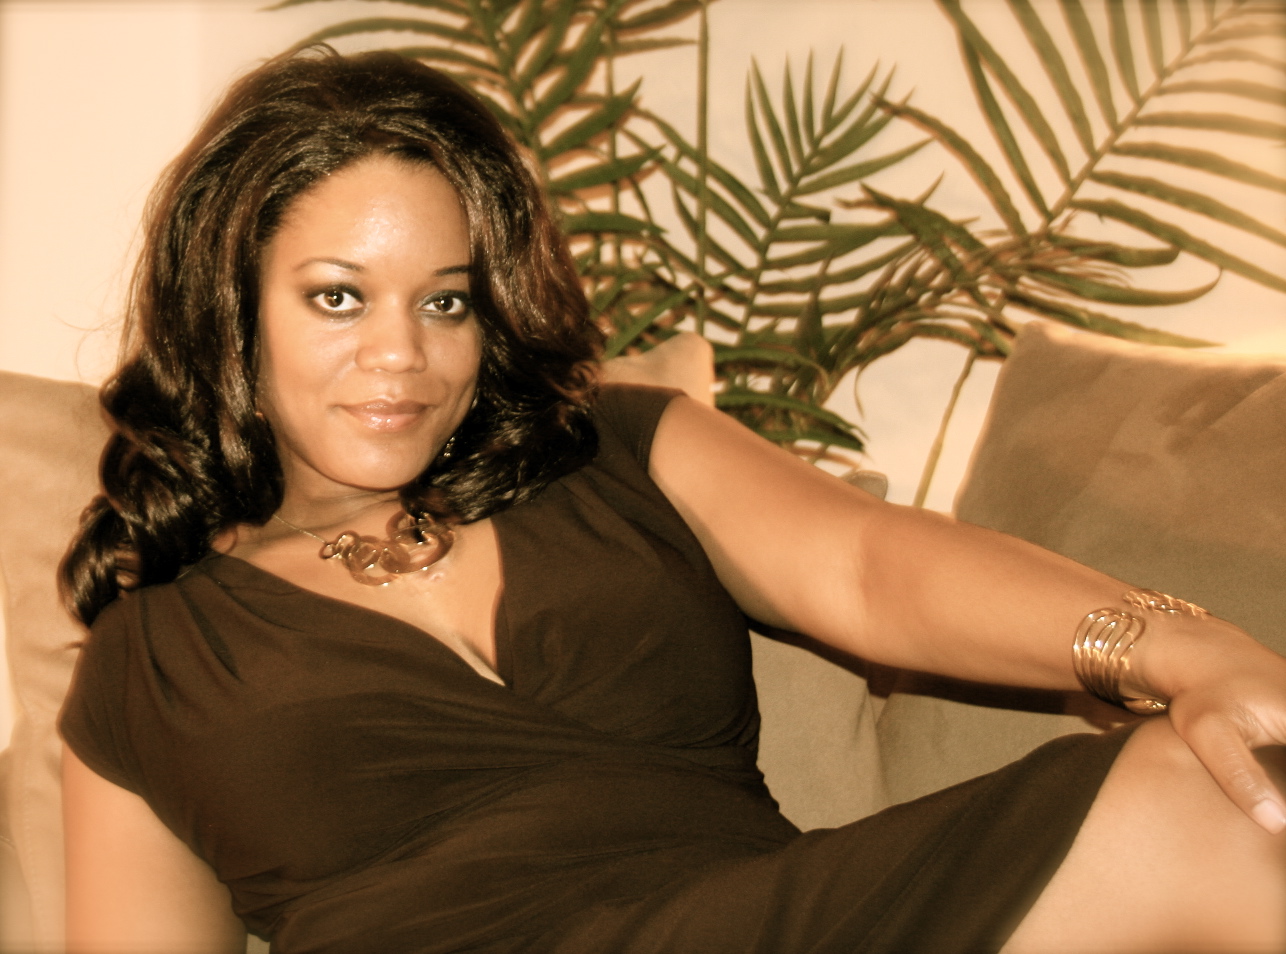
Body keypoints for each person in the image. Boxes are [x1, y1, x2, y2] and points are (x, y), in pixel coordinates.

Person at [57, 46, 1285, 954]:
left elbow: (865, 566)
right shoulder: (148, 661)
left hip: (769, 925)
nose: (402, 355)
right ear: (232, 307)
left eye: (445, 300)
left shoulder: (612, 453)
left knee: (1217, 785)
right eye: (337, 296)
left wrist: (1179, 648)